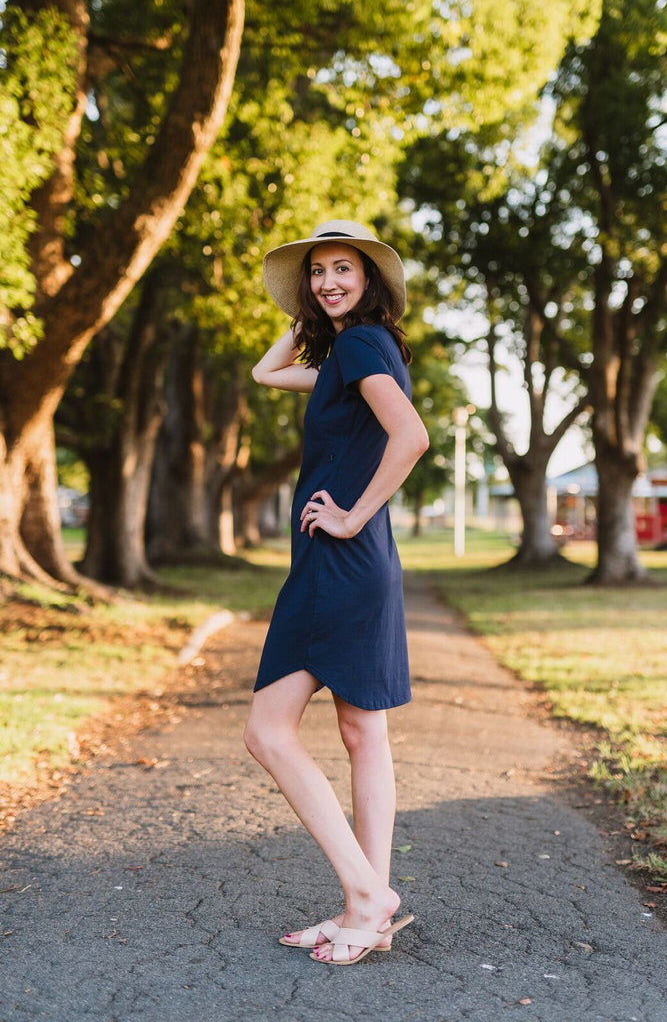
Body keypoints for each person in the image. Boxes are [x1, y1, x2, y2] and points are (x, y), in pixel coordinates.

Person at [243, 219, 429, 966]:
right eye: (316, 272)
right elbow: (265, 372)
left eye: (342, 269)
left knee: (267, 731)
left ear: (370, 278)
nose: (327, 281)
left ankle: (366, 893)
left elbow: (409, 437)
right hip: (361, 564)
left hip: (338, 561)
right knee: (362, 735)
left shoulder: (357, 347)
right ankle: (368, 905)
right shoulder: (357, 352)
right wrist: (305, 313)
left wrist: (352, 513)